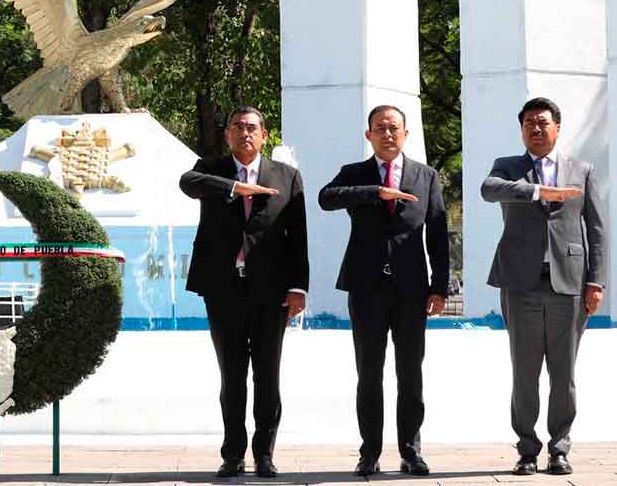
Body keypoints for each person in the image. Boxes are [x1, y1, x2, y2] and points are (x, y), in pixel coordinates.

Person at [318, 105, 449, 477]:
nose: (387, 134)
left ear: (405, 134)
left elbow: (438, 235)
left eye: (394, 128)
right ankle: (369, 452)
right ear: (369, 135)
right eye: (380, 129)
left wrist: (439, 286)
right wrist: (376, 192)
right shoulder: (355, 174)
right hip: (366, 287)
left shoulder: (426, 176)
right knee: (369, 373)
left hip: (411, 290)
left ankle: (411, 450)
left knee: (411, 373)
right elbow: (326, 198)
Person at [179, 106, 309, 479]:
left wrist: (298, 287)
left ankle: (264, 454)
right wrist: (236, 187)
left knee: (267, 376)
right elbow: (187, 183)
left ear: (264, 135)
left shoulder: (287, 176)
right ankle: (233, 454)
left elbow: (297, 238)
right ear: (228, 135)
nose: (245, 133)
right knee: (231, 376)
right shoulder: (210, 169)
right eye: (237, 127)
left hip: (271, 293)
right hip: (223, 290)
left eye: (252, 127)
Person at [480, 97, 606, 476]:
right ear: (522, 130)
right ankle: (527, 448)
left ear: (557, 127)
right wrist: (537, 192)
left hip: (569, 283)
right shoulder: (508, 168)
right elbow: (489, 190)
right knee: (525, 370)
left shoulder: (580, 169)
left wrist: (595, 280)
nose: (536, 128)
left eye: (543, 122)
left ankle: (560, 447)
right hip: (520, 284)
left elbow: (596, 231)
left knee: (563, 372)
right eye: (529, 123)